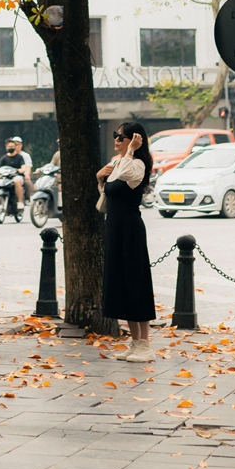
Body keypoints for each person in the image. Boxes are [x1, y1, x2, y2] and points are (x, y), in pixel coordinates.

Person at [97, 121, 156, 362]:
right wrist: (100, 180)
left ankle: (145, 345)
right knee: (123, 283)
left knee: (135, 283)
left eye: (121, 136)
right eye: (116, 135)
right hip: (115, 228)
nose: (116, 140)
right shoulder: (118, 162)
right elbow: (109, 198)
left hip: (131, 230)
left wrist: (130, 151)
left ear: (134, 140)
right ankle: (135, 342)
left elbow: (125, 176)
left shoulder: (137, 164)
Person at [0, 137, 31, 209]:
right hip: (6, 177)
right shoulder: (4, 158)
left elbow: (24, 167)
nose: (11, 148)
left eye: (12, 146)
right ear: (6, 147)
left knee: (17, 181)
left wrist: (21, 170)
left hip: (17, 176)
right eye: (9, 146)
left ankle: (20, 202)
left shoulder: (20, 157)